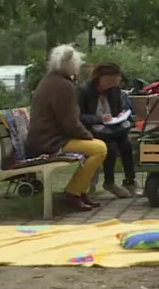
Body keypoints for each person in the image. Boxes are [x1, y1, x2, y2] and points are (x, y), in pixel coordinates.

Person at [25, 45, 107, 212]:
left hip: (45, 139)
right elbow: (70, 122)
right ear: (71, 64)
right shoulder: (63, 86)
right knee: (99, 148)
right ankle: (73, 193)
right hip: (51, 142)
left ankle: (81, 193)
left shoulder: (49, 80)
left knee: (95, 147)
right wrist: (87, 135)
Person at [77, 62, 138, 198]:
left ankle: (130, 181)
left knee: (126, 143)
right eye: (116, 77)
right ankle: (109, 182)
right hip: (92, 129)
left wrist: (121, 114)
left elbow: (117, 110)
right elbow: (79, 116)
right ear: (105, 77)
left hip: (112, 127)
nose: (119, 80)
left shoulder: (114, 90)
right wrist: (99, 119)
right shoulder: (84, 91)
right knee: (110, 145)